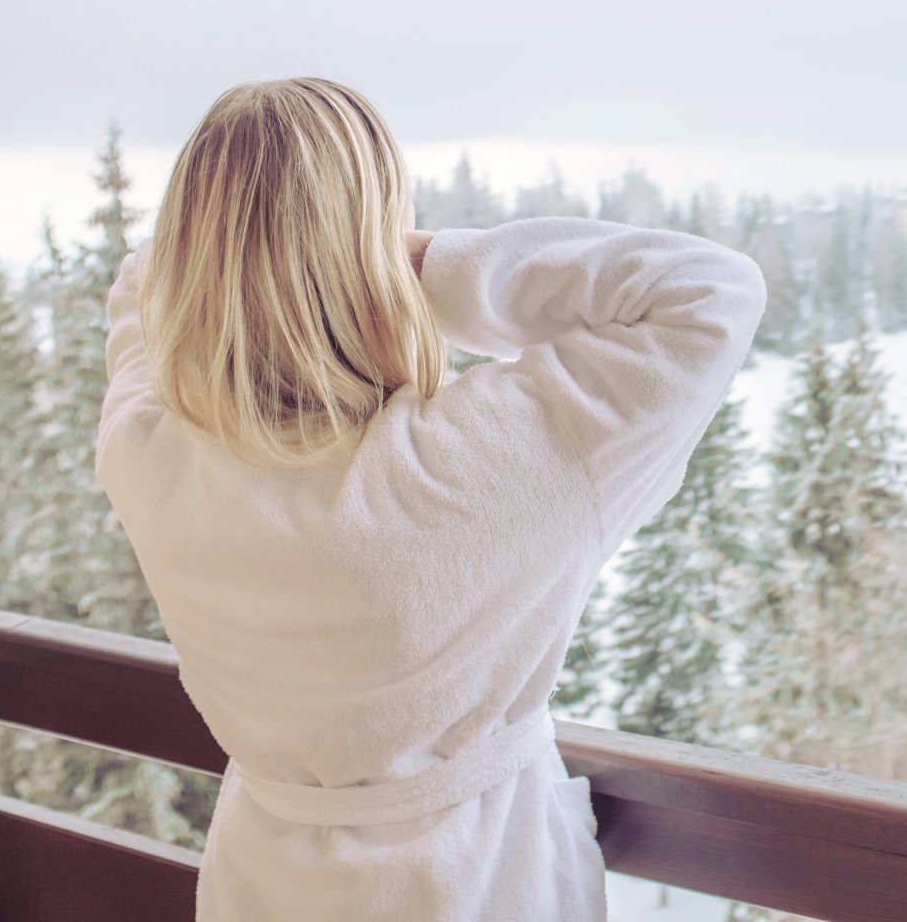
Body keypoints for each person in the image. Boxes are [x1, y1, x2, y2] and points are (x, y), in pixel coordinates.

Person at [96, 76, 768, 921]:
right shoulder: (483, 464)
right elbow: (710, 292)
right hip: (480, 885)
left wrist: (260, 264)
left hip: (263, 885)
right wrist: (403, 266)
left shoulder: (151, 454)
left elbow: (140, 285)